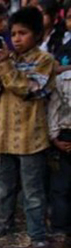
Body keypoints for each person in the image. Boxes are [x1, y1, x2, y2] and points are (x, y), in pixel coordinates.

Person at [0, 7, 56, 246]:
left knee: (32, 190)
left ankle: (37, 234)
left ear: (37, 34)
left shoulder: (45, 61)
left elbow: (28, 89)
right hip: (3, 134)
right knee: (5, 185)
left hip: (29, 136)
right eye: (13, 34)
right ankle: (3, 223)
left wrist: (5, 68)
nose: (16, 39)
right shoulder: (9, 58)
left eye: (22, 33)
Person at [48, 67, 71, 237]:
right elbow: (53, 110)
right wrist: (55, 139)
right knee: (61, 186)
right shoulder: (63, 80)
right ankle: (60, 228)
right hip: (65, 136)